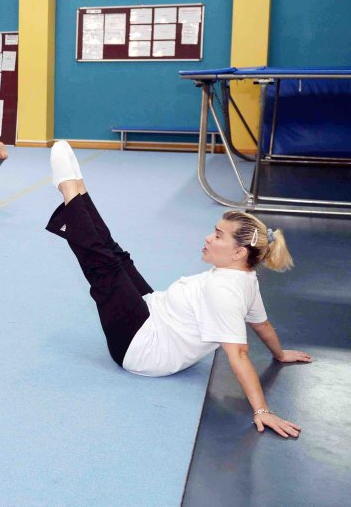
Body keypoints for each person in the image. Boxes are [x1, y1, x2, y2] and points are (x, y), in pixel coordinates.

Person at [45, 140, 311, 438]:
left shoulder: (225, 292)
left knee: (103, 267)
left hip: (140, 347)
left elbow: (238, 355)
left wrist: (262, 411)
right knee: (119, 258)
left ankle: (68, 190)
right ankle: (79, 192)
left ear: (238, 253)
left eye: (218, 236)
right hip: (155, 314)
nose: (209, 238)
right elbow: (261, 324)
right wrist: (280, 353)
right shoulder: (246, 277)